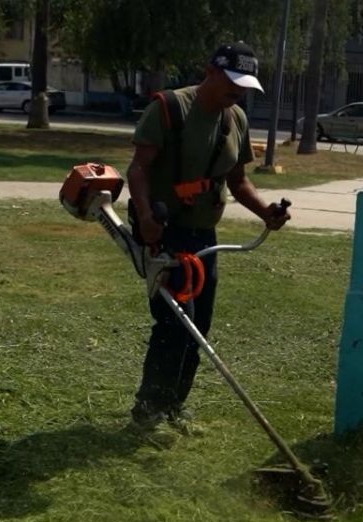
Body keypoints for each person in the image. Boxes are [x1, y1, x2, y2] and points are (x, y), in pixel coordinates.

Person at [126, 42, 290, 434]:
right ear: (210, 72)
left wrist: (265, 212)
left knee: (201, 326)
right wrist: (146, 216)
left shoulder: (235, 119)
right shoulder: (169, 108)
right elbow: (138, 169)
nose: (239, 91)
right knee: (174, 323)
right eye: (233, 82)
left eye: (245, 85)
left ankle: (173, 406)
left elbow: (238, 180)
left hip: (204, 235)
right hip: (166, 231)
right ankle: (148, 409)